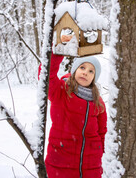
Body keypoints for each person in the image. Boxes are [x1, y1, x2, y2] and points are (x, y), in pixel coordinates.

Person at [39, 36, 107, 178]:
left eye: (91, 71)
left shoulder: (98, 103)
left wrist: (100, 152)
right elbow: (46, 74)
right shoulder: (61, 91)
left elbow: (102, 132)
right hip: (61, 162)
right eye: (82, 67)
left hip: (91, 165)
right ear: (75, 70)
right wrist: (58, 49)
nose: (85, 73)